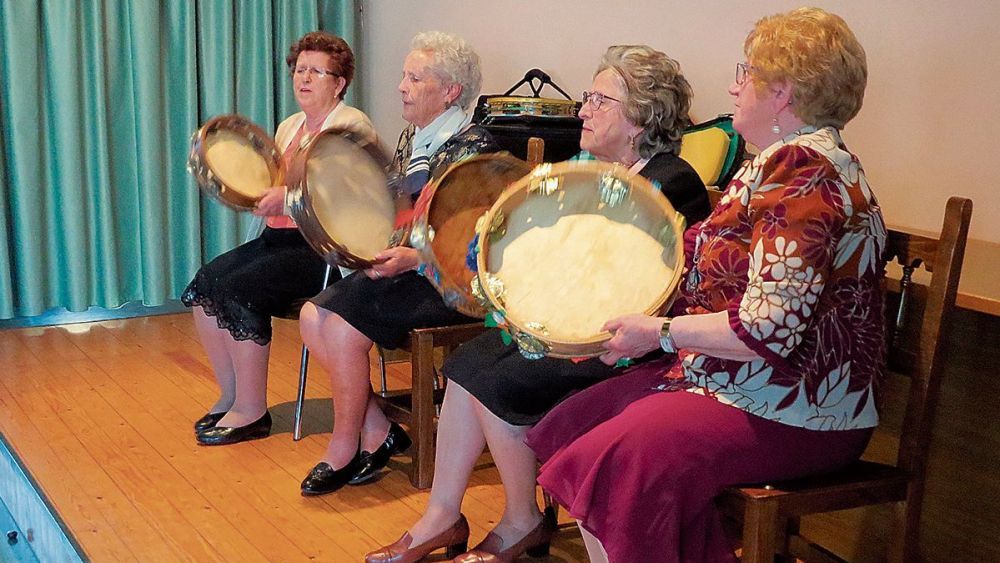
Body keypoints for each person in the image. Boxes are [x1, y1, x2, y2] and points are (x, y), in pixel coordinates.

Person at [525, 8, 885, 562]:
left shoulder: (804, 170)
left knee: (618, 458)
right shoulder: (770, 162)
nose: (733, 86)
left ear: (783, 91)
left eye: (746, 73)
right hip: (743, 383)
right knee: (575, 425)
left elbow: (765, 328)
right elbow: (697, 268)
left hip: (797, 406)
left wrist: (659, 331)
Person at [365, 46, 711, 563]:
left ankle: (521, 520)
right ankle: (442, 515)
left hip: (629, 342)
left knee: (497, 379)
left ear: (640, 115)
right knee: (466, 365)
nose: (583, 109)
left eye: (599, 99)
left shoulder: (669, 181)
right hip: (572, 324)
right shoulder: (586, 167)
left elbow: (629, 284)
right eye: (588, 97)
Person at [296, 31, 498, 495]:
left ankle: (343, 445)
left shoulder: (475, 148)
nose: (401, 86)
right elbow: (399, 207)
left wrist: (412, 256)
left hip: (446, 282)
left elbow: (472, 244)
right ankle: (378, 430)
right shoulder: (415, 136)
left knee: (343, 328)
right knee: (312, 316)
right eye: (403, 76)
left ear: (450, 91)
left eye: (414, 77)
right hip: (406, 268)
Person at [183, 31, 376, 446]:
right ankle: (230, 395)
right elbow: (271, 181)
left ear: (339, 83)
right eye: (299, 69)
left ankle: (252, 411)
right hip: (279, 242)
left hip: (322, 251)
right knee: (204, 287)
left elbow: (341, 192)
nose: (303, 78)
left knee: (238, 291)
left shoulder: (351, 124)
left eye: (315, 71)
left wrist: (284, 201)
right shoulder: (290, 126)